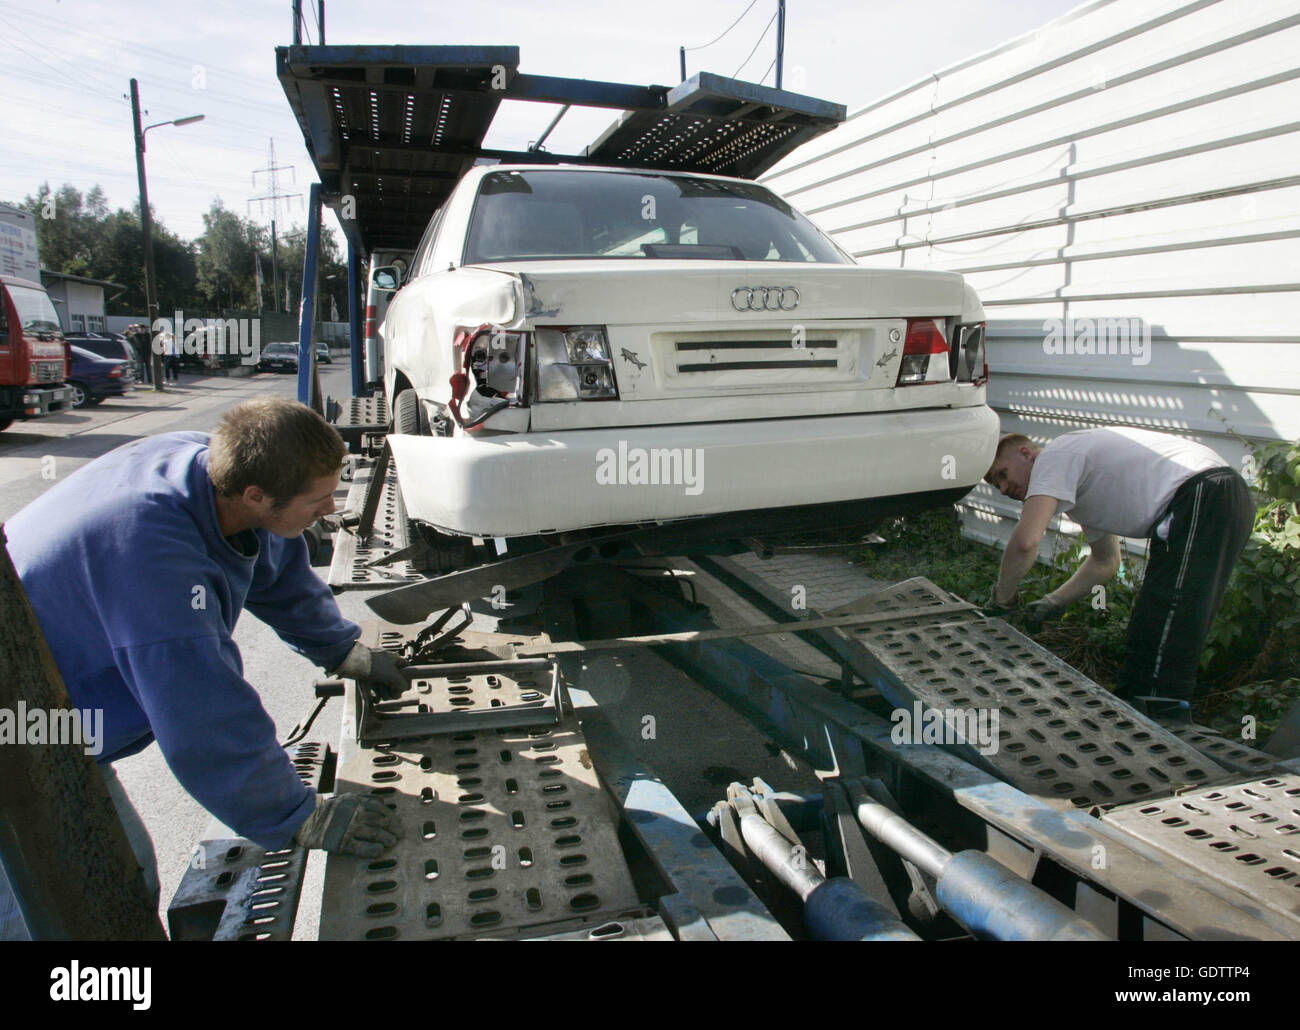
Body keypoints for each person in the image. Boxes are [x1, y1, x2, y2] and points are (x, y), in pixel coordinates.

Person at [0, 397, 405, 939]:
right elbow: (203, 716)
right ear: (257, 495)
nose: (331, 509)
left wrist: (340, 649)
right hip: (20, 729)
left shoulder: (208, 466)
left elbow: (274, 561)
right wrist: (299, 816)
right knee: (76, 904)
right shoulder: (157, 567)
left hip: (53, 706)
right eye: (320, 498)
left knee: (120, 877)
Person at [984, 426, 1254, 713]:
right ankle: (1137, 708)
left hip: (1205, 490)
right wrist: (1050, 604)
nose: (1003, 489)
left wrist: (1001, 601)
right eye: (995, 485)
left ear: (1026, 454)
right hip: (1207, 496)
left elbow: (1026, 541)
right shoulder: (1082, 488)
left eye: (1002, 474)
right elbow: (1105, 563)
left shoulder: (1054, 456)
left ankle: (1161, 716)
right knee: (1153, 615)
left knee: (1172, 611)